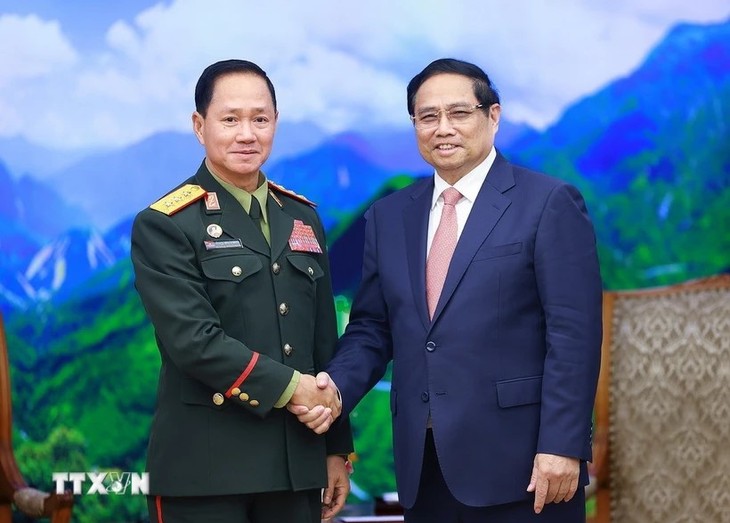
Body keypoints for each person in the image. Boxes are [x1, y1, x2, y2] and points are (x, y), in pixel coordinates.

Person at [291, 58, 602, 522]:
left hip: (525, 467)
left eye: (459, 113)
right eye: (428, 116)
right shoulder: (390, 216)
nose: (443, 128)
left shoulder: (548, 203)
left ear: (492, 116)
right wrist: (333, 390)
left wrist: (562, 444)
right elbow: (373, 329)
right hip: (424, 466)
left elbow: (574, 334)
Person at [131, 59, 352, 523]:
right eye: (230, 119)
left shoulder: (302, 217)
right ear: (200, 126)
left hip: (296, 465)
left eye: (260, 119)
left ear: (276, 123)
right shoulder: (166, 224)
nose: (247, 134)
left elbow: (322, 341)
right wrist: (292, 388)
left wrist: (336, 449)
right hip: (207, 470)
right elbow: (193, 341)